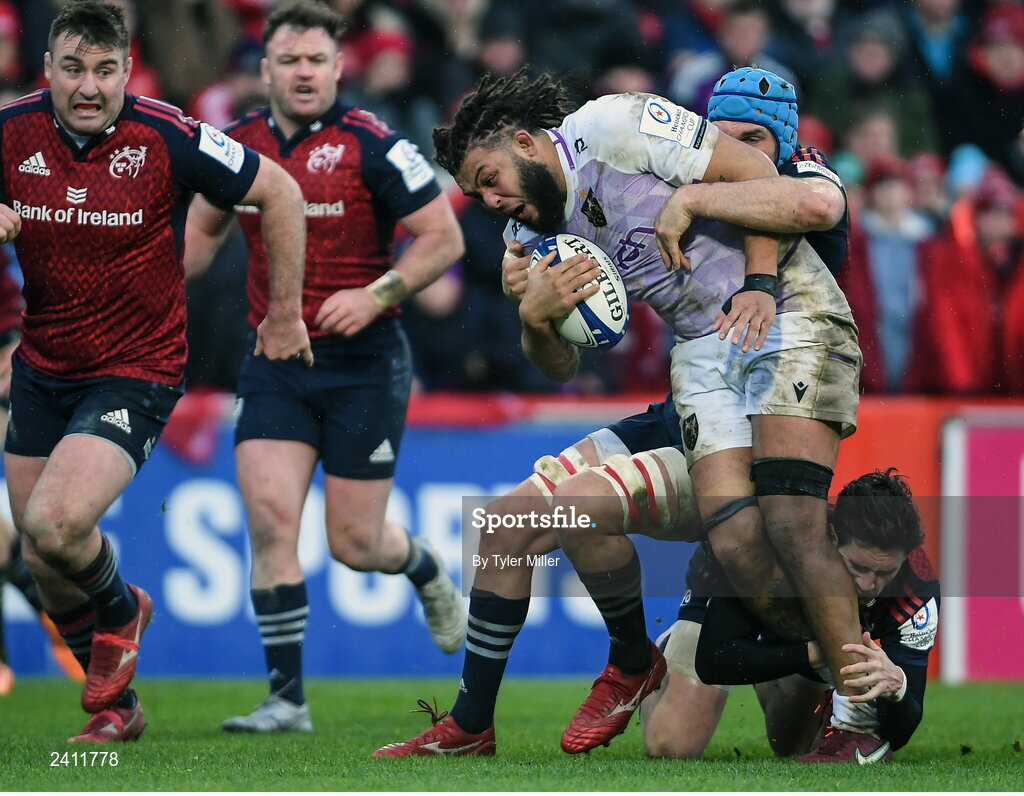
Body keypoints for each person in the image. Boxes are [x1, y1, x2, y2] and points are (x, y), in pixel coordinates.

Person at [375, 66, 860, 757]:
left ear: (526, 141)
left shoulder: (615, 126)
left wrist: (754, 278)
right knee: (525, 523)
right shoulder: (528, 240)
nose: (491, 201)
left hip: (781, 326)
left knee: (760, 530)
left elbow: (757, 171)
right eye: (478, 194)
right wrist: (538, 322)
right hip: (699, 360)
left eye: (490, 178)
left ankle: (847, 671)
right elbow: (562, 368)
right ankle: (477, 723)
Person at [1, 0, 311, 744]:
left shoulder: (165, 133)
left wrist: (284, 313)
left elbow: (281, 191)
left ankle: (121, 610)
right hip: (43, 366)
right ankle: (118, 710)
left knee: (56, 522)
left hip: (135, 367)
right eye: (72, 68)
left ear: (127, 72)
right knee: (43, 560)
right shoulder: (11, 133)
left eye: (105, 71)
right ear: (46, 70)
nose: (88, 86)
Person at [184, 0, 467, 734]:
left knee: (356, 545)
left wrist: (377, 295)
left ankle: (425, 568)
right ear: (266, 69)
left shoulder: (373, 141)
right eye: (289, 60)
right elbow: (192, 248)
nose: (304, 72)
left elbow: (442, 239)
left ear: (339, 68)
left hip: (365, 364)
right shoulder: (234, 147)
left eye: (317, 60)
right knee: (272, 521)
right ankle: (287, 701)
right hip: (276, 359)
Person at [643, 469, 939, 764]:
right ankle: (670, 647)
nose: (868, 585)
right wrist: (816, 652)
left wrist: (897, 686)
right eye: (857, 567)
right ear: (832, 539)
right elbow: (715, 660)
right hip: (723, 586)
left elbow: (898, 734)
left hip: (800, 628)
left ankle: (779, 666)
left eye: (885, 572)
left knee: (793, 747)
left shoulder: (917, 589)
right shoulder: (781, 545)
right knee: (671, 746)